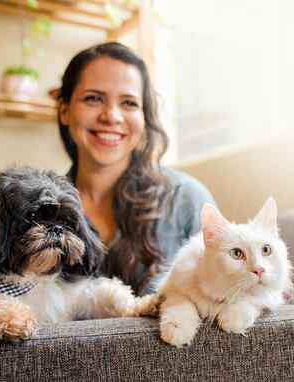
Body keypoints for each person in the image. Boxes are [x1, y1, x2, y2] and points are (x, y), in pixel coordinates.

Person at [57, 42, 216, 295]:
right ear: (64, 111)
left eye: (129, 103)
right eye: (94, 98)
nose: (111, 116)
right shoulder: (39, 212)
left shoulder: (186, 199)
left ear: (145, 117)